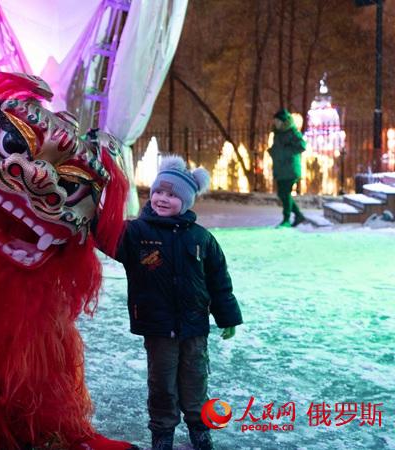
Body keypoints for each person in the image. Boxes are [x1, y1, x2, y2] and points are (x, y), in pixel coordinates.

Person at [111, 156, 243, 450]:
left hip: (194, 325)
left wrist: (228, 317)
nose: (162, 199)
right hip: (157, 326)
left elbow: (219, 281)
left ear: (185, 201)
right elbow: (105, 235)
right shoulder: (136, 233)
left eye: (172, 195)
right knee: (162, 384)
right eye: (159, 191)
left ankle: (199, 428)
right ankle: (162, 432)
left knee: (196, 379)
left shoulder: (202, 239)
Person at [268, 108, 307, 227]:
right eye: (275, 121)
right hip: (281, 169)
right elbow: (279, 149)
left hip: (290, 169)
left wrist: (284, 152)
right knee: (282, 194)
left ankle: (286, 219)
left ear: (284, 121)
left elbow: (302, 146)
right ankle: (299, 216)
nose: (275, 123)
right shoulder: (277, 134)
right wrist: (273, 151)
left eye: (277, 121)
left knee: (285, 193)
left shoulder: (292, 132)